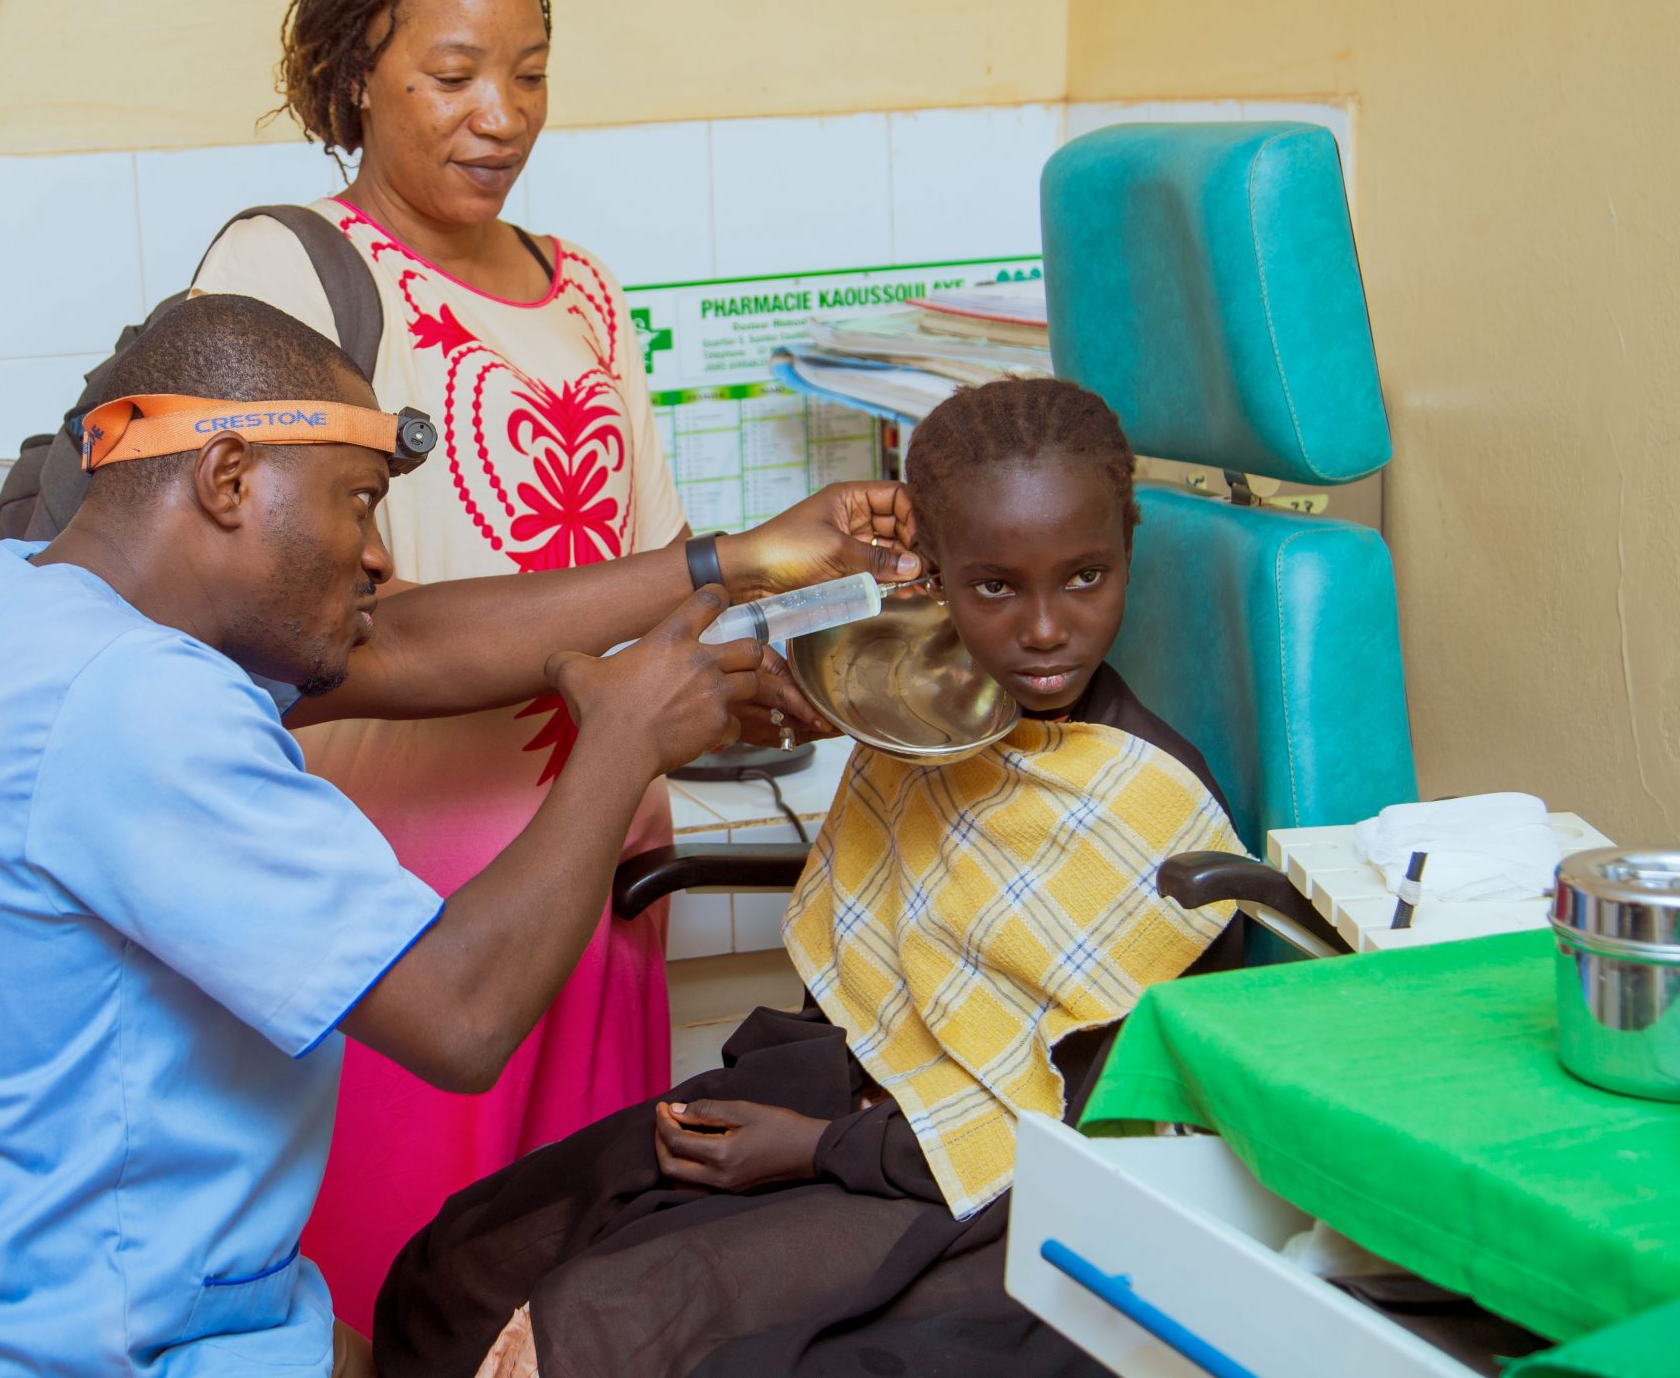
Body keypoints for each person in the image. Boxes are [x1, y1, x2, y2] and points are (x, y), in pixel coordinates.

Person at [0, 293, 914, 1377]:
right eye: (359, 502)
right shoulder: (135, 705)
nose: (380, 558)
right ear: (229, 478)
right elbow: (461, 1014)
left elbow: (401, 646)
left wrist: (734, 560)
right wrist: (622, 739)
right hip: (89, 1350)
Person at [371, 377, 1252, 1378]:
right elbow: (893, 978)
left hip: (995, 1186)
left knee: (598, 1324)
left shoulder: (1150, 819)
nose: (1046, 629)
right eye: (994, 588)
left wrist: (814, 1149)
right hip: (860, 1091)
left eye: (1085, 577)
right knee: (470, 1254)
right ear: (931, 574)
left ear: (1128, 549)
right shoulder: (934, 723)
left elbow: (1046, 1128)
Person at [185, 0, 791, 1325]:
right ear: (355, 72)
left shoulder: (584, 291)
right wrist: (694, 600)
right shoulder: (288, 271)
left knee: (570, 1292)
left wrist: (741, 681)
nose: (500, 116)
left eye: (528, 73)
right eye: (453, 75)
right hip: (404, 903)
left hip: (606, 863)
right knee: (403, 1286)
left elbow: (656, 574)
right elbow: (291, 633)